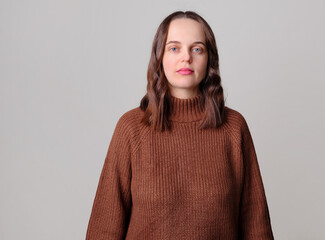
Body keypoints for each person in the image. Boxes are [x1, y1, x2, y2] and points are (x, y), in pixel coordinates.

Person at [86, 10, 274, 240]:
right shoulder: (131, 129)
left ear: (209, 59)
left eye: (197, 49)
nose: (186, 57)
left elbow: (256, 226)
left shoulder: (234, 128)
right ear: (159, 57)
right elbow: (104, 227)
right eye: (174, 48)